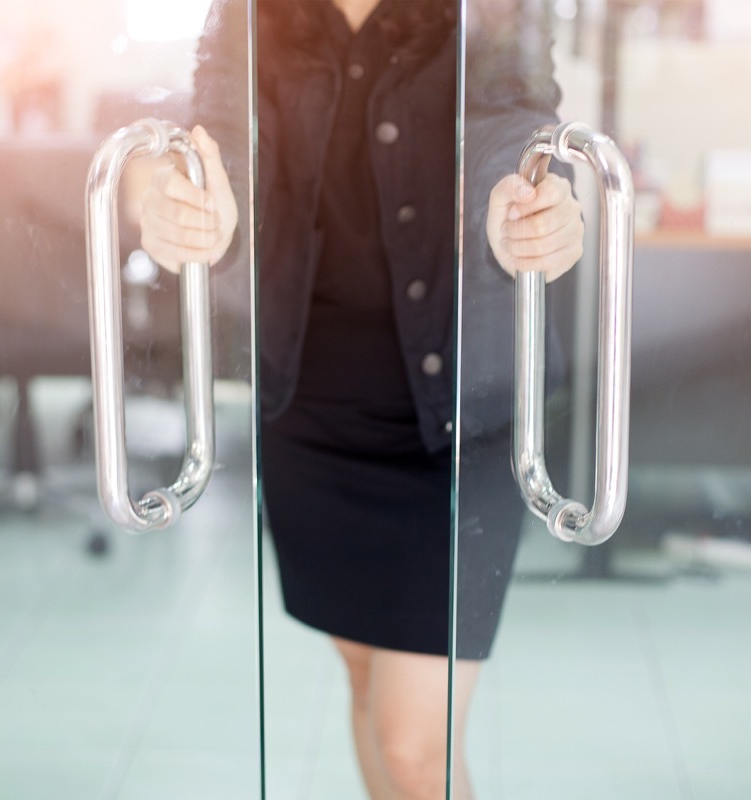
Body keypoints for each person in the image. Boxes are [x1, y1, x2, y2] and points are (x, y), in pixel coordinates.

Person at [138, 1, 583, 797]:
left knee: (414, 747)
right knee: (366, 684)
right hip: (313, 410)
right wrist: (196, 200)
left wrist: (522, 200)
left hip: (460, 419)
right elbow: (224, 126)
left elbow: (513, 115)